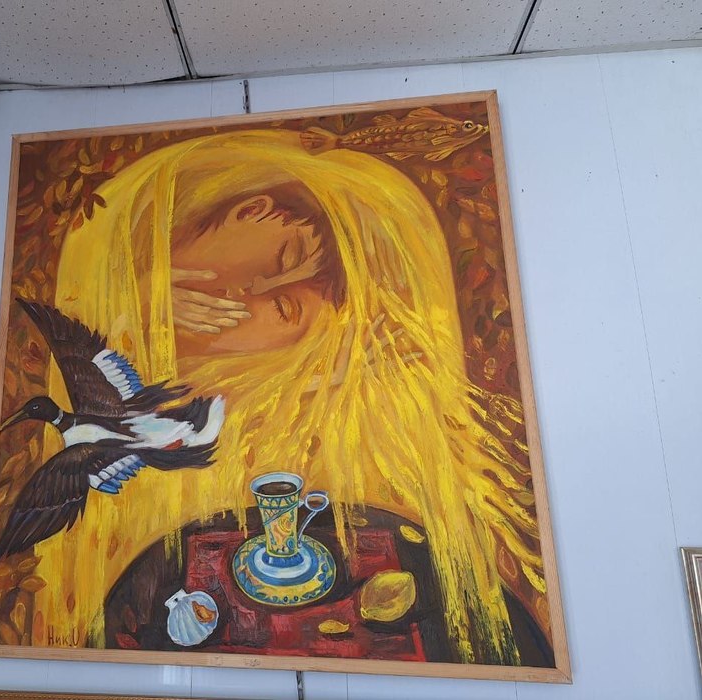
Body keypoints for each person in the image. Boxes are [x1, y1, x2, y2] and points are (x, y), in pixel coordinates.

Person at [34, 129, 541, 664]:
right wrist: (143, 300)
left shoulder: (265, 383)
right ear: (253, 209)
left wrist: (332, 372)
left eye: (283, 306)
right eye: (282, 258)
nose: (248, 291)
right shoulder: (120, 284)